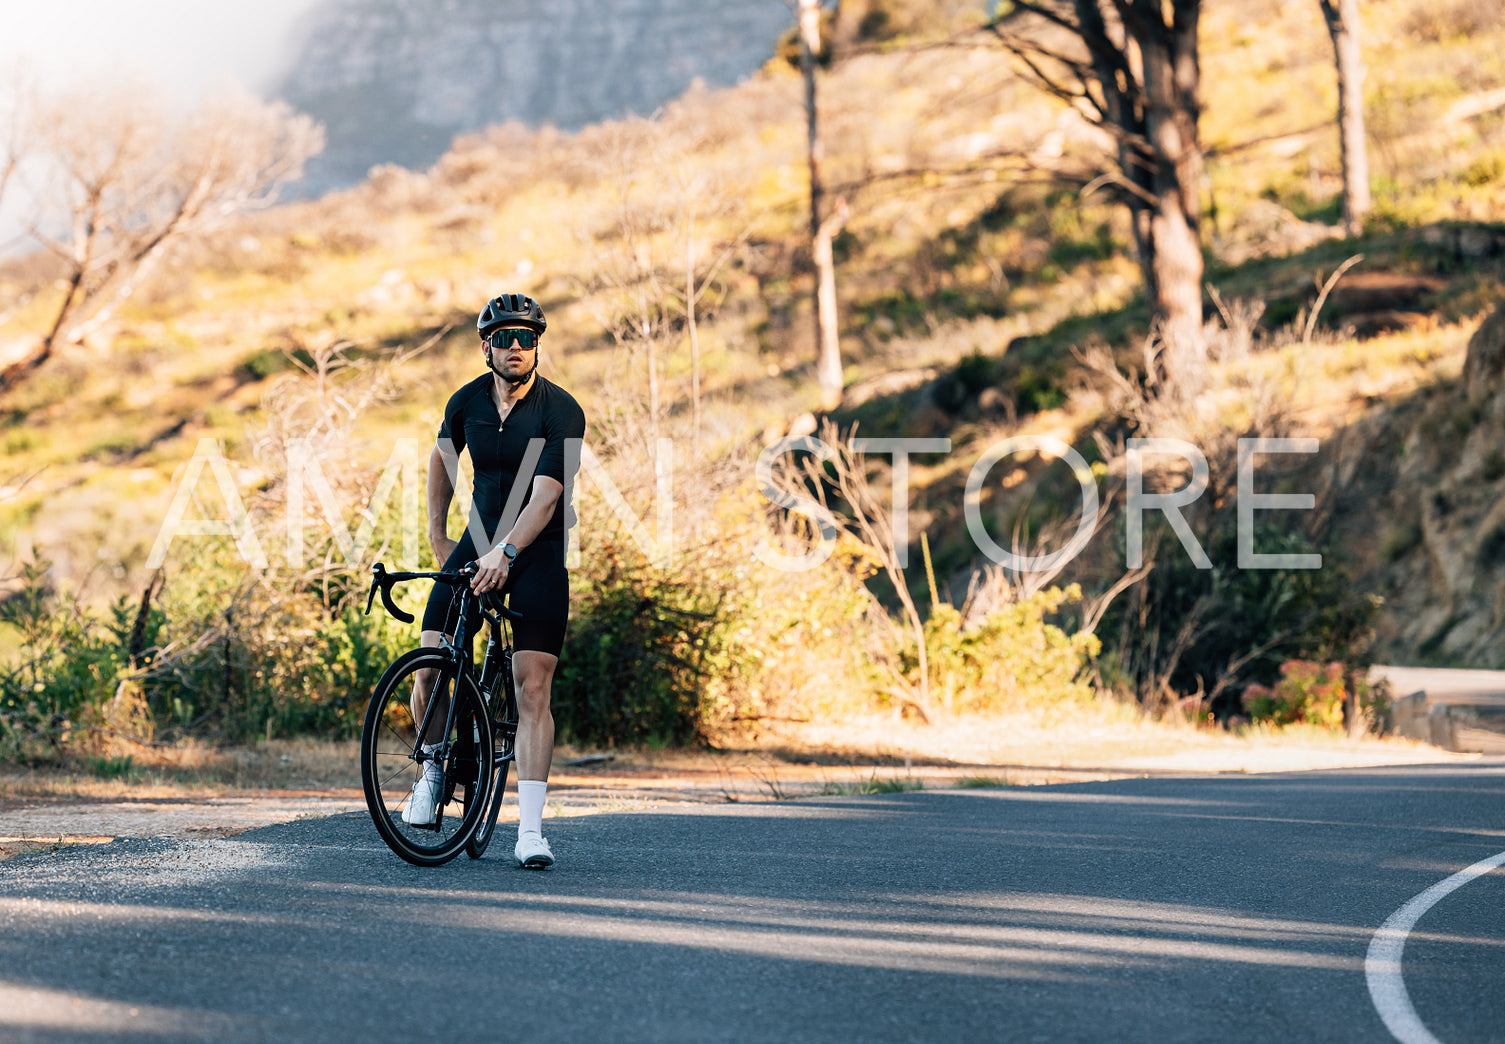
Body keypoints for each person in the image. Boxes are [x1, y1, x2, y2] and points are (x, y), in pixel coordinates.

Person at [406, 293, 585, 869]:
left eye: (526, 338)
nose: (516, 347)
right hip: (476, 540)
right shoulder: (466, 403)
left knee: (533, 685)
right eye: (505, 337)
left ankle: (530, 831)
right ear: (486, 345)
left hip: (537, 548)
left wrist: (508, 550)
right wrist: (440, 537)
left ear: (537, 345)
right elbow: (441, 458)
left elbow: (548, 492)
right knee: (430, 661)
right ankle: (433, 771)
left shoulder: (562, 411)